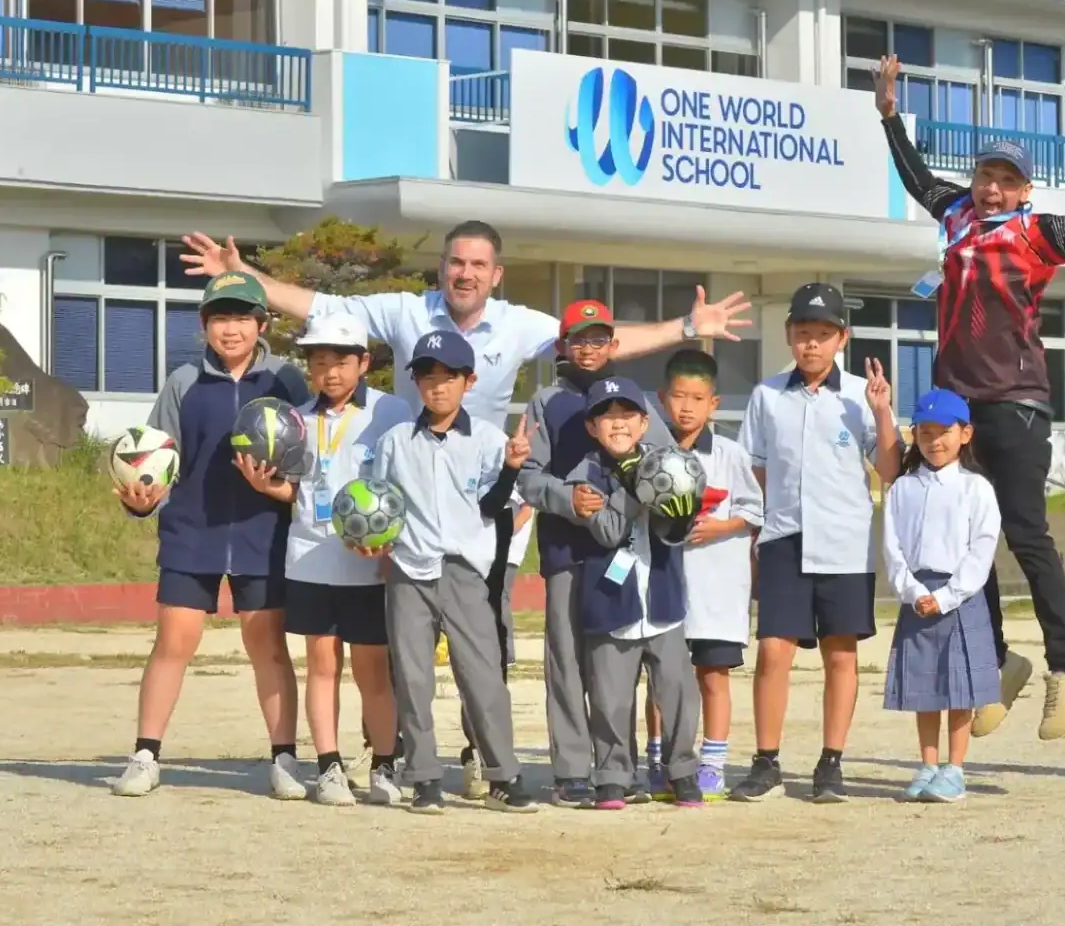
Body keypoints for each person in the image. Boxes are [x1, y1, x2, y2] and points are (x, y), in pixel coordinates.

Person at [180, 221, 750, 794]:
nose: (466, 273)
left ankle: (484, 755)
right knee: (407, 652)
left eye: (478, 265)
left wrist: (686, 327)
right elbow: (324, 305)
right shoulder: (407, 311)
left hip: (484, 504)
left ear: (495, 275)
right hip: (411, 502)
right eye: (457, 262)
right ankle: (399, 757)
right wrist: (243, 276)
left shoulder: (520, 324)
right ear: (442, 267)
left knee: (485, 642)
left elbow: (598, 340)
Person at [874, 54, 1065, 740]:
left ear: (1024, 191)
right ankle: (997, 657)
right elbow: (916, 175)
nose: (991, 188)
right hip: (955, 404)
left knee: (1024, 532)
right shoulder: (953, 213)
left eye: (1006, 180)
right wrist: (890, 116)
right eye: (987, 174)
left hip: (1015, 402)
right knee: (963, 540)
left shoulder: (1036, 233)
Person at [111, 273, 310, 799]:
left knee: (266, 646)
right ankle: (146, 755)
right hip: (191, 532)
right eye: (220, 317)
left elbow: (308, 460)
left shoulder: (286, 381)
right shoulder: (183, 382)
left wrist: (283, 491)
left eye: (243, 316)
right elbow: (156, 461)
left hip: (262, 533)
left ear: (262, 324)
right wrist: (143, 502)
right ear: (204, 325)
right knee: (173, 643)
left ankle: (284, 759)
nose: (231, 328)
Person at [231, 312, 413, 806]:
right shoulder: (296, 418)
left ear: (363, 363)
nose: (329, 372)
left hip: (368, 563)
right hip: (310, 556)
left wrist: (392, 542)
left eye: (340, 361)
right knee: (321, 662)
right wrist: (270, 488)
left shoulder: (392, 414)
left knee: (374, 669)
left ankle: (383, 765)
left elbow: (404, 485)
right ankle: (329, 766)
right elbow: (301, 488)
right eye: (318, 362)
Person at [731, 283, 902, 803]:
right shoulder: (766, 397)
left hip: (844, 541)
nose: (812, 345)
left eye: (823, 335)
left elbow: (891, 470)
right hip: (783, 537)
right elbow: (752, 472)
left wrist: (882, 412)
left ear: (841, 339)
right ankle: (766, 762)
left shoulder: (859, 397)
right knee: (772, 652)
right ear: (788, 335)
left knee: (840, 655)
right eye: (803, 334)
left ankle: (831, 763)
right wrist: (752, 537)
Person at [366, 329, 537, 814]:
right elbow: (379, 502)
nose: (436, 387)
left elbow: (492, 506)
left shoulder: (487, 439)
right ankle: (423, 777)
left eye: (448, 378)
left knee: (482, 675)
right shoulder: (396, 441)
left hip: (464, 570)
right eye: (426, 377)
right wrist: (372, 541)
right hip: (407, 570)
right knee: (413, 676)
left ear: (469, 381)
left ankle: (503, 774)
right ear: (416, 382)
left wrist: (509, 468)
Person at [518, 299, 673, 808]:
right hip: (567, 546)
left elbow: (667, 462)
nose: (588, 348)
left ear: (613, 344)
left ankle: (617, 770)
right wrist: (567, 498)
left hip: (625, 550)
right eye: (578, 339)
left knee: (615, 662)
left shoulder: (635, 400)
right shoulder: (545, 401)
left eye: (598, 338)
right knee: (565, 659)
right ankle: (569, 770)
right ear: (563, 345)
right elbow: (529, 476)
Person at [570, 376, 705, 810]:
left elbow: (674, 531)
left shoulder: (667, 462)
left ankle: (681, 770)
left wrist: (679, 514)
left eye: (627, 415)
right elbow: (607, 532)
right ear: (592, 428)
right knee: (610, 696)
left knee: (678, 690)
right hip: (610, 602)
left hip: (662, 600)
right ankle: (613, 774)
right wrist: (633, 489)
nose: (618, 425)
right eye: (606, 418)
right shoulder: (585, 473)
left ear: (644, 423)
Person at [640, 350, 762, 802]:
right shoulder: (648, 453)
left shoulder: (731, 454)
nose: (686, 407)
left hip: (717, 590)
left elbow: (753, 510)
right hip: (662, 588)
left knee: (713, 675)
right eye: (677, 396)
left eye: (697, 398)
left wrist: (722, 524)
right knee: (660, 679)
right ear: (661, 399)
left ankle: (711, 762)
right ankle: (659, 758)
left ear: (714, 404)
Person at [882, 388, 1002, 804]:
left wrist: (949, 596)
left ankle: (956, 768)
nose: (934, 441)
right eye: (925, 432)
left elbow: (982, 549)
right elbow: (892, 548)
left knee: (959, 688)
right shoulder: (902, 489)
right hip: (916, 596)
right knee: (925, 687)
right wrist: (912, 592)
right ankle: (928, 764)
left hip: (960, 596)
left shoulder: (977, 488)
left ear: (965, 434)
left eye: (944, 432)